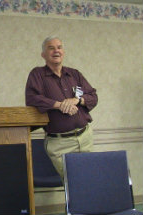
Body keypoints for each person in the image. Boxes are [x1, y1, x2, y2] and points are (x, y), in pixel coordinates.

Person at [25, 36, 98, 178]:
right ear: (43, 55)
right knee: (74, 183)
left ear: (63, 52)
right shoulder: (37, 74)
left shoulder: (74, 74)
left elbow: (93, 96)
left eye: (59, 47)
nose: (56, 51)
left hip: (85, 137)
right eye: (51, 48)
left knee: (89, 180)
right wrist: (59, 105)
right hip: (60, 144)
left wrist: (76, 100)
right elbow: (32, 99)